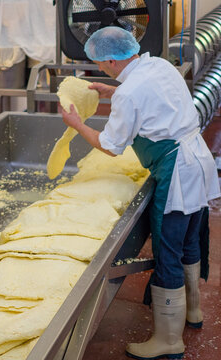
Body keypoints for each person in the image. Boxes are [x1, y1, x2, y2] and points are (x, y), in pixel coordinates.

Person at [60, 26, 220, 360]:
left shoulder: (128, 93)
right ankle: (192, 311)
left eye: (102, 65)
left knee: (167, 252)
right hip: (197, 160)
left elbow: (110, 145)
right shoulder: (159, 65)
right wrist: (112, 90)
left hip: (177, 172)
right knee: (189, 241)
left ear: (113, 61)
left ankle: (168, 340)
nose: (100, 69)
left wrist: (77, 125)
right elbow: (146, 93)